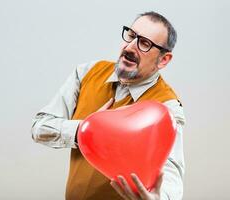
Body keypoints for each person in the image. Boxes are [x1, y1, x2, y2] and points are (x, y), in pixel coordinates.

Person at [31, 11, 185, 200]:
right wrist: (84, 130)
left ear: (163, 59)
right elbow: (39, 126)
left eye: (144, 43)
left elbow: (171, 169)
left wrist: (158, 197)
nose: (129, 47)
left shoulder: (166, 106)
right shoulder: (86, 73)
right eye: (131, 35)